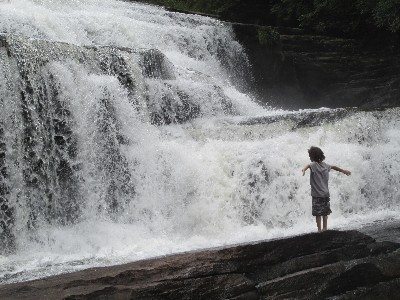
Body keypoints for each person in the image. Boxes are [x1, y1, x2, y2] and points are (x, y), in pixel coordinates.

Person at [302, 146, 351, 232]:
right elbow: (334, 167)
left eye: (310, 156)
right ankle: (325, 228)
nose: (309, 158)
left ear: (312, 156)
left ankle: (319, 230)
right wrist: (344, 171)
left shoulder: (313, 165)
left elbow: (307, 165)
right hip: (325, 194)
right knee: (325, 212)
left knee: (318, 213)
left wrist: (303, 170)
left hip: (317, 194)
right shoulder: (325, 165)